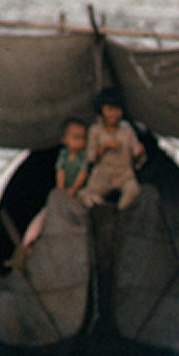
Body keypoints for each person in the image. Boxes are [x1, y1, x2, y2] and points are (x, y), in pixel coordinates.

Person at [20, 117, 90, 257]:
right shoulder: (63, 157)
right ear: (65, 140)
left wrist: (73, 191)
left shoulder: (84, 158)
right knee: (43, 216)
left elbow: (82, 175)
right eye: (75, 137)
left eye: (83, 138)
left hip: (79, 193)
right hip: (65, 193)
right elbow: (61, 174)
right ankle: (27, 244)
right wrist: (61, 192)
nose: (80, 142)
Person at [79, 88, 145, 210]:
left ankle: (121, 211)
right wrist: (104, 147)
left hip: (124, 174)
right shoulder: (95, 131)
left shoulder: (127, 131)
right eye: (110, 110)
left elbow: (136, 156)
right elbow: (91, 157)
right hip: (103, 174)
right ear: (102, 110)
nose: (114, 114)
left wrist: (139, 153)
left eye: (117, 110)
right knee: (86, 196)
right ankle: (103, 209)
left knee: (134, 191)